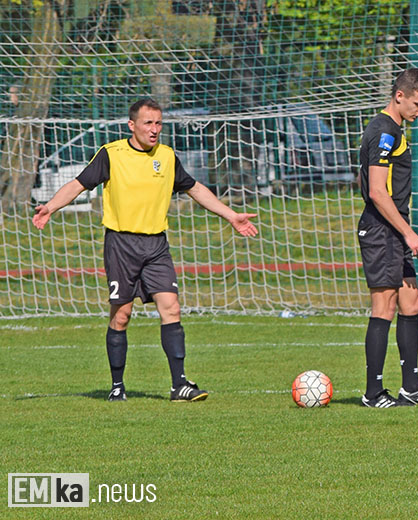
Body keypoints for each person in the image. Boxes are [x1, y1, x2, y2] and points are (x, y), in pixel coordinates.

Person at [32, 98, 258, 402]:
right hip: (121, 245)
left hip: (156, 245)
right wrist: (51, 207)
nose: (154, 130)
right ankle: (117, 386)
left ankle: (179, 385)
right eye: (148, 123)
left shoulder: (166, 156)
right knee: (122, 315)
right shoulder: (111, 154)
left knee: (172, 308)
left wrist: (231, 215)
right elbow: (78, 184)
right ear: (132, 125)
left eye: (159, 123)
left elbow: (195, 189)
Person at [356, 68, 418, 407]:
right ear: (400, 96)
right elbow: (377, 191)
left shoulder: (393, 131)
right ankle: (373, 392)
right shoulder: (383, 132)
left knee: (411, 302)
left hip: (393, 228)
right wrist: (408, 233)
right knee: (385, 305)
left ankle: (411, 387)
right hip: (383, 230)